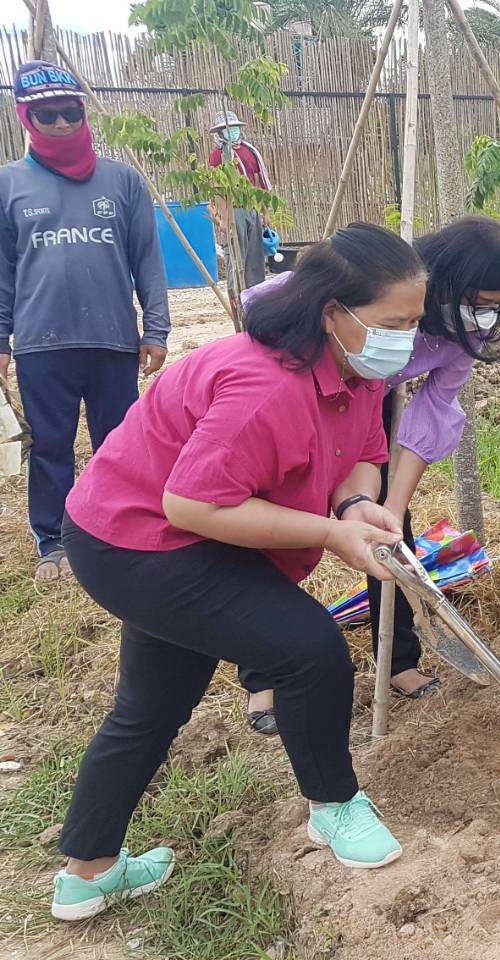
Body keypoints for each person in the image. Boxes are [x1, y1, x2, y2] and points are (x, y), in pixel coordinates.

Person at [49, 223, 424, 922]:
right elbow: (191, 502)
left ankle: (87, 872)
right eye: (393, 322)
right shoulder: (266, 385)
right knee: (309, 649)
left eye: (414, 322)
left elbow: (362, 453)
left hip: (186, 533)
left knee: (154, 705)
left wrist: (359, 503)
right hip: (136, 538)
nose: (405, 337)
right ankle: (334, 807)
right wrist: (329, 532)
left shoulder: (358, 369)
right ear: (332, 313)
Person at [238, 216, 500, 734]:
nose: (484, 318)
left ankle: (397, 660)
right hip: (305, 395)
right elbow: (259, 306)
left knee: (393, 537)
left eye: (495, 306)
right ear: (445, 282)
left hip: (375, 407)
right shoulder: (370, 283)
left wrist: (391, 505)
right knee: (276, 532)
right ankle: (264, 675)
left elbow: (431, 414)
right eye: (477, 302)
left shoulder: (459, 337)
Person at [0, 59, 169, 582]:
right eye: (46, 115)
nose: (61, 125)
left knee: (119, 442)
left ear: (83, 111)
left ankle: (116, 527)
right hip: (39, 344)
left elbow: (147, 258)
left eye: (70, 112)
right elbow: (3, 269)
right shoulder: (8, 184)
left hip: (113, 341)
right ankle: (52, 540)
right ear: (27, 118)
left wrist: (155, 330)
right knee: (50, 446)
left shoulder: (122, 181)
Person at [208, 109, 272, 291]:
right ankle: (237, 296)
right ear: (221, 132)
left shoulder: (250, 151)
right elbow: (218, 188)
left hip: (252, 208)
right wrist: (225, 218)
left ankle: (256, 294)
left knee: (255, 257)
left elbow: (260, 183)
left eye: (234, 128)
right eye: (228, 129)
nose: (233, 132)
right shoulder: (218, 155)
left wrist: (265, 212)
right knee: (237, 257)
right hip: (233, 209)